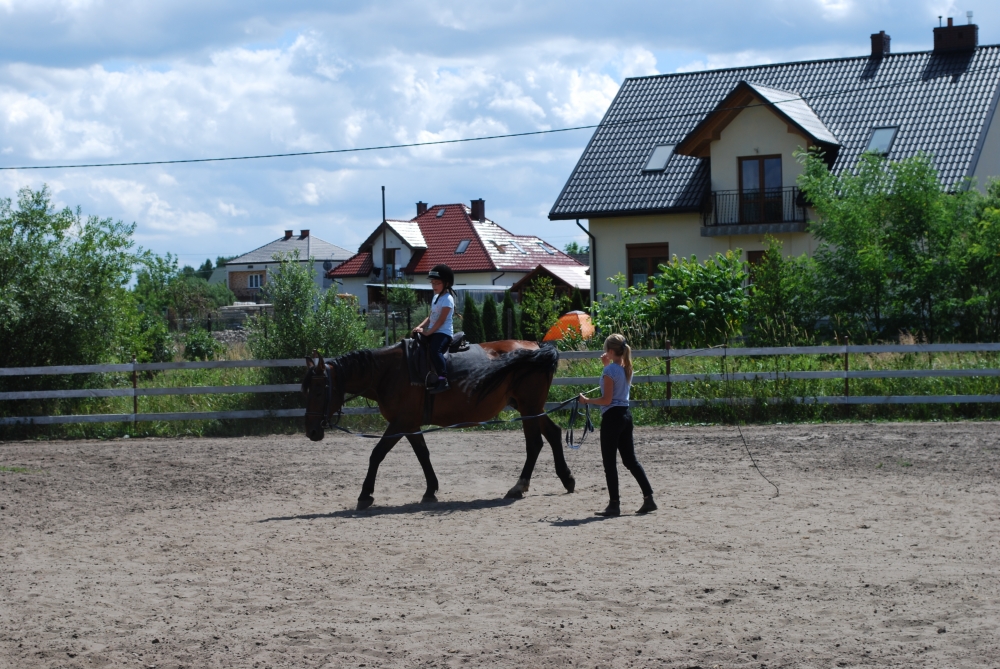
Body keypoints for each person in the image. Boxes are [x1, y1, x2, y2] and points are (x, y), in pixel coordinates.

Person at [579, 334, 656, 516]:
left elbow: (606, 400)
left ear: (611, 351)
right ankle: (649, 498)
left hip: (612, 418)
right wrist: (607, 365)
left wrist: (587, 400)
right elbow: (615, 387)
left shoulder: (610, 371)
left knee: (609, 463)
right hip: (625, 416)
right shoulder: (626, 368)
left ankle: (614, 504)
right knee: (630, 460)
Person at [413, 264, 456, 394]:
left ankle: (443, 379)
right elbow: (430, 317)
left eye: (437, 283)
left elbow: (441, 320)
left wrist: (427, 333)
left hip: (443, 332)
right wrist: (419, 327)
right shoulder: (436, 297)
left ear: (446, 283)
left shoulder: (448, 299)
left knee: (435, 350)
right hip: (433, 330)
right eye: (432, 283)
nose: (434, 286)